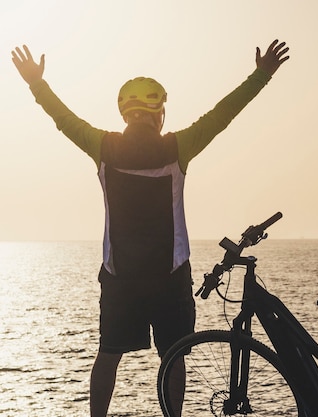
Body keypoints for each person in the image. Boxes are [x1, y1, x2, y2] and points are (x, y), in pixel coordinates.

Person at [12, 40, 289, 417]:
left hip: (119, 275)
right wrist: (261, 75)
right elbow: (223, 114)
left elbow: (63, 118)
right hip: (170, 275)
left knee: (108, 353)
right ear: (159, 113)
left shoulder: (102, 146)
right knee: (173, 356)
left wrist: (35, 83)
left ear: (125, 114)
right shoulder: (178, 147)